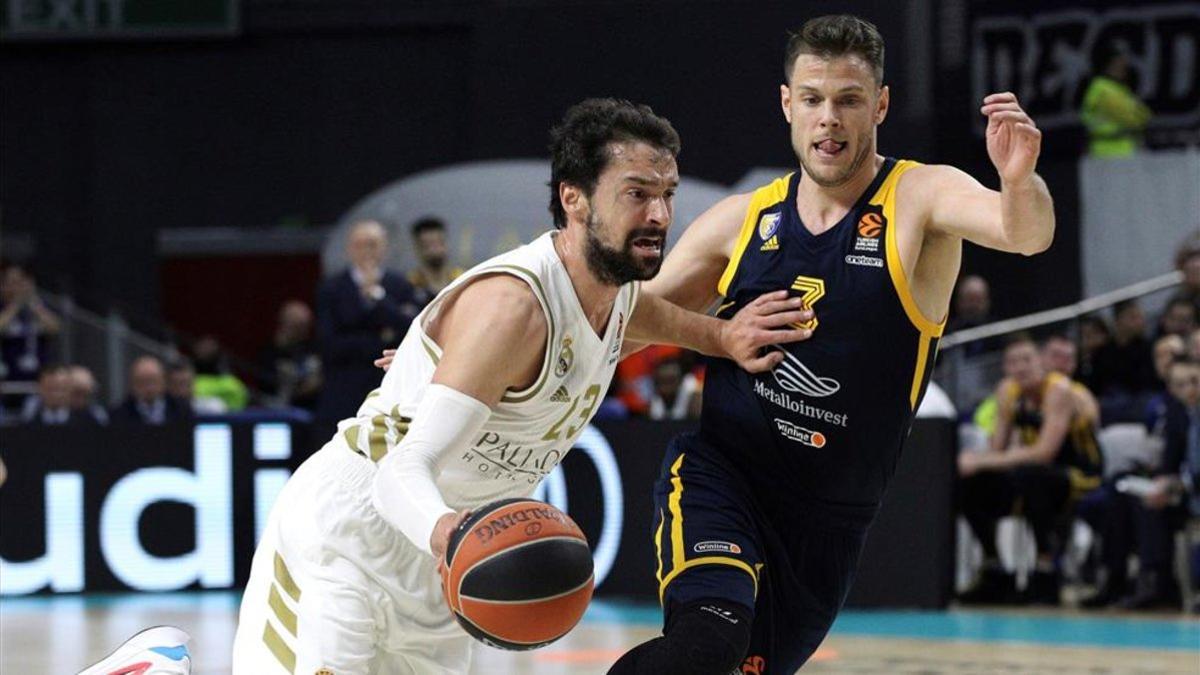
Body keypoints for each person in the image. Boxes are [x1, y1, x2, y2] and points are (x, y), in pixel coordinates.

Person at [231, 98, 811, 674]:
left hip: (443, 571)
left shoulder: (614, 296)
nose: (660, 214)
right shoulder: (513, 308)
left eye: (667, 193)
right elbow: (398, 474)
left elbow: (655, 318)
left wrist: (723, 336)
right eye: (637, 193)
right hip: (357, 537)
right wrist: (450, 533)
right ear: (573, 198)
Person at [609, 15, 1054, 675]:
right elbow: (622, 324)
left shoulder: (920, 198)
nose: (829, 119)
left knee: (730, 663)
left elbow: (1025, 234)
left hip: (826, 526)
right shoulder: (743, 220)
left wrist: (1018, 181)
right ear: (788, 103)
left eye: (848, 99)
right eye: (813, 99)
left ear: (879, 104)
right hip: (723, 477)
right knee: (710, 639)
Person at [957, 336, 1102, 605]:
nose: (1021, 368)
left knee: (1033, 476)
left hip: (1083, 474)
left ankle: (1045, 570)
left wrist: (978, 460)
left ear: (1042, 363)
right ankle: (995, 569)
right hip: (1035, 475)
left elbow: (1044, 453)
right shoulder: (1007, 391)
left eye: (1027, 360)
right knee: (973, 482)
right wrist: (976, 463)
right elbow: (998, 450)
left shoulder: (1059, 390)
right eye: (1013, 362)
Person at [316, 220, 421, 426]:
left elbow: (410, 333)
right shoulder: (332, 288)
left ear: (384, 248)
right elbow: (328, 344)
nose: (366, 251)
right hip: (344, 390)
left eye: (372, 244)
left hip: (389, 389)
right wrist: (380, 339)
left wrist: (378, 297)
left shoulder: (399, 285)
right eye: (359, 245)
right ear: (349, 249)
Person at [0, 263, 61, 414]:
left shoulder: (38, 306)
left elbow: (54, 328)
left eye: (19, 282)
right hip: (9, 379)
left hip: (39, 380)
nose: (16, 288)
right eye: (10, 283)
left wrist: (34, 305)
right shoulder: (3, 308)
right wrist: (15, 305)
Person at [1080, 46, 1152, 158]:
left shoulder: (1118, 88)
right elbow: (1133, 119)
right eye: (1120, 61)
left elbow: (1145, 116)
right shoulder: (1101, 88)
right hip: (1107, 152)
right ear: (1111, 63)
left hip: (1123, 151)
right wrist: (1138, 112)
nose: (1125, 65)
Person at [257, 300, 322, 411]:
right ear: (284, 324)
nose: (302, 332)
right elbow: (266, 387)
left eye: (305, 326)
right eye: (296, 326)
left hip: (313, 411)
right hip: (279, 412)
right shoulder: (269, 354)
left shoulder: (314, 349)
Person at [110, 356, 194, 426]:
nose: (149, 388)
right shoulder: (119, 415)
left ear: (163, 381)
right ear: (133, 384)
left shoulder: (181, 411)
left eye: (153, 381)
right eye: (143, 382)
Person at [408, 217, 465, 306]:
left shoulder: (462, 280)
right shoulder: (411, 284)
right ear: (418, 249)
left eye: (439, 243)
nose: (435, 250)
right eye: (429, 245)